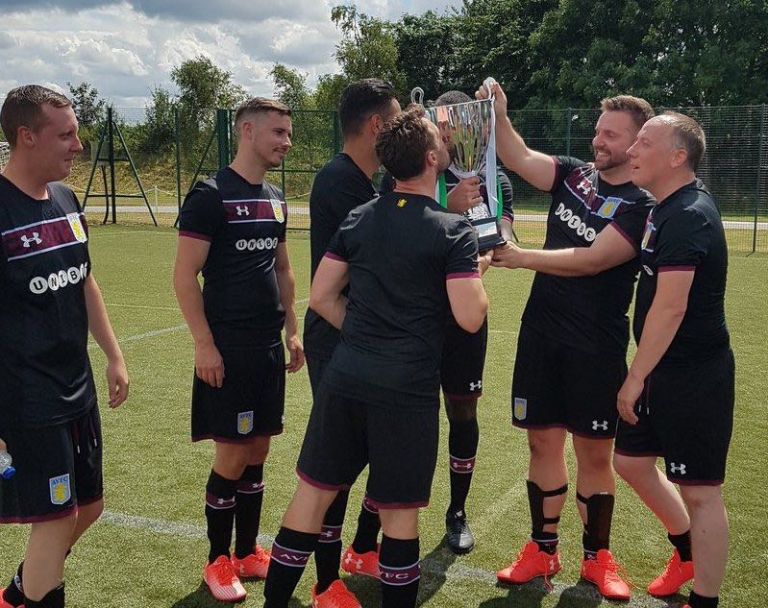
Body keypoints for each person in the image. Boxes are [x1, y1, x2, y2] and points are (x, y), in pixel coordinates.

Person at [263, 107, 490, 608]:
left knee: (311, 496)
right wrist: (477, 268)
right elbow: (470, 316)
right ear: (432, 159)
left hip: (347, 376)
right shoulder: (453, 231)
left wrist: (368, 330)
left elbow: (322, 297)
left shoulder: (360, 216)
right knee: (399, 515)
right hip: (405, 390)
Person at [480, 81, 654, 601]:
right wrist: (500, 114)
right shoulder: (576, 174)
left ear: (637, 143)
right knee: (541, 442)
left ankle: (598, 558)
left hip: (595, 349)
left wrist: (522, 255)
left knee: (595, 456)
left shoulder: (639, 204)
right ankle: (542, 549)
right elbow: (516, 155)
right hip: (541, 336)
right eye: (598, 131)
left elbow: (593, 260)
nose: (599, 141)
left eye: (610, 135)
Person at [344, 89, 515, 563]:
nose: (452, 136)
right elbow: (394, 243)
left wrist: (469, 248)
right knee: (395, 424)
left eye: (463, 127)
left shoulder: (492, 179)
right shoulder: (403, 177)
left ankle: (457, 513)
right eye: (444, 127)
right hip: (410, 322)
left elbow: (497, 247)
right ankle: (366, 529)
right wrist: (450, 210)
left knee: (463, 415)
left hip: (462, 322)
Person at [0, 85, 129, 608]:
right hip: (27, 397)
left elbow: (85, 281)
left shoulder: (66, 199)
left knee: (89, 506)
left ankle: (18, 591)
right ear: (26, 137)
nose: (79, 144)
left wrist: (114, 353)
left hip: (76, 386)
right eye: (67, 134)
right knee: (56, 519)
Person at [174, 97, 304, 603]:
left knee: (259, 449)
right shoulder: (210, 195)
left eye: (289, 133)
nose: (286, 142)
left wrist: (292, 327)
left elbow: (283, 269)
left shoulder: (275, 197)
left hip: (267, 347)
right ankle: (217, 560)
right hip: (226, 349)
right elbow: (184, 277)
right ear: (246, 131)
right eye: (278, 132)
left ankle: (248, 551)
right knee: (231, 454)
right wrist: (204, 345)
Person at [613, 113, 733, 608]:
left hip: (693, 377)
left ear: (677, 156)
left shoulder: (688, 215)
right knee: (631, 462)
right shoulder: (664, 207)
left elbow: (672, 305)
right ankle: (686, 552)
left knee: (701, 491)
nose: (632, 149)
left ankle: (704, 600)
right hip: (662, 372)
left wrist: (634, 377)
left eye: (645, 141)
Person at [300, 78, 401, 606]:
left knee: (366, 451)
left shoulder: (364, 181)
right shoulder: (341, 181)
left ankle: (359, 551)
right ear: (376, 126)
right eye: (398, 119)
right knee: (335, 461)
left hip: (355, 338)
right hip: (335, 339)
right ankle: (324, 584)